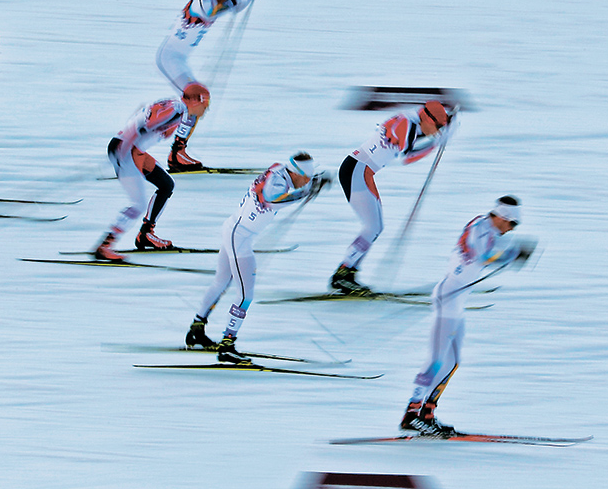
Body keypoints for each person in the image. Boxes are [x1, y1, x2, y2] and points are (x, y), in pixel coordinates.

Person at [400, 195, 536, 436]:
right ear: (504, 218)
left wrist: (512, 253)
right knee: (436, 360)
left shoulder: (488, 228)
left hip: (457, 302)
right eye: (512, 224)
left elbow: (490, 253)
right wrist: (514, 254)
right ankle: (411, 414)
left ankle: (427, 413)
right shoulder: (480, 228)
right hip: (448, 298)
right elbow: (483, 255)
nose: (512, 230)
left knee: (451, 362)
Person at [184, 152, 330, 362]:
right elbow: (273, 200)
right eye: (306, 177)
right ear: (296, 173)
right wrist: (307, 191)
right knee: (246, 295)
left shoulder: (281, 170)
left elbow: (288, 188)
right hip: (240, 238)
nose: (306, 181)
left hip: (233, 230)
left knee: (221, 283)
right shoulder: (277, 184)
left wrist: (310, 184)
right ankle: (227, 346)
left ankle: (196, 330)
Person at [330, 101, 456, 295]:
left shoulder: (415, 119)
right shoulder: (407, 124)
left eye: (441, 128)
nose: (438, 131)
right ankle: (342, 276)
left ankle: (348, 274)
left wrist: (446, 123)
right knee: (372, 227)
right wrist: (437, 142)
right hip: (357, 171)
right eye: (438, 127)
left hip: (362, 171)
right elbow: (408, 156)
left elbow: (421, 133)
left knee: (375, 227)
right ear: (427, 118)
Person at [156, 0, 268, 172]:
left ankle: (178, 150)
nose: (229, 1)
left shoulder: (221, 1)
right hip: (169, 58)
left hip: (179, 61)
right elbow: (211, 12)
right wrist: (236, 0)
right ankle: (175, 152)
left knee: (199, 98)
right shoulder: (203, 0)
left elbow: (235, 6)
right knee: (197, 98)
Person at [94, 86, 211, 260]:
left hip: (132, 150)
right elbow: (148, 125)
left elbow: (141, 114)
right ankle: (105, 246)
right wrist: (124, 146)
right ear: (195, 101)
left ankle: (146, 234)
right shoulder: (177, 110)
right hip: (127, 151)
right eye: (205, 104)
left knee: (166, 184)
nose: (205, 110)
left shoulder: (173, 104)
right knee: (138, 205)